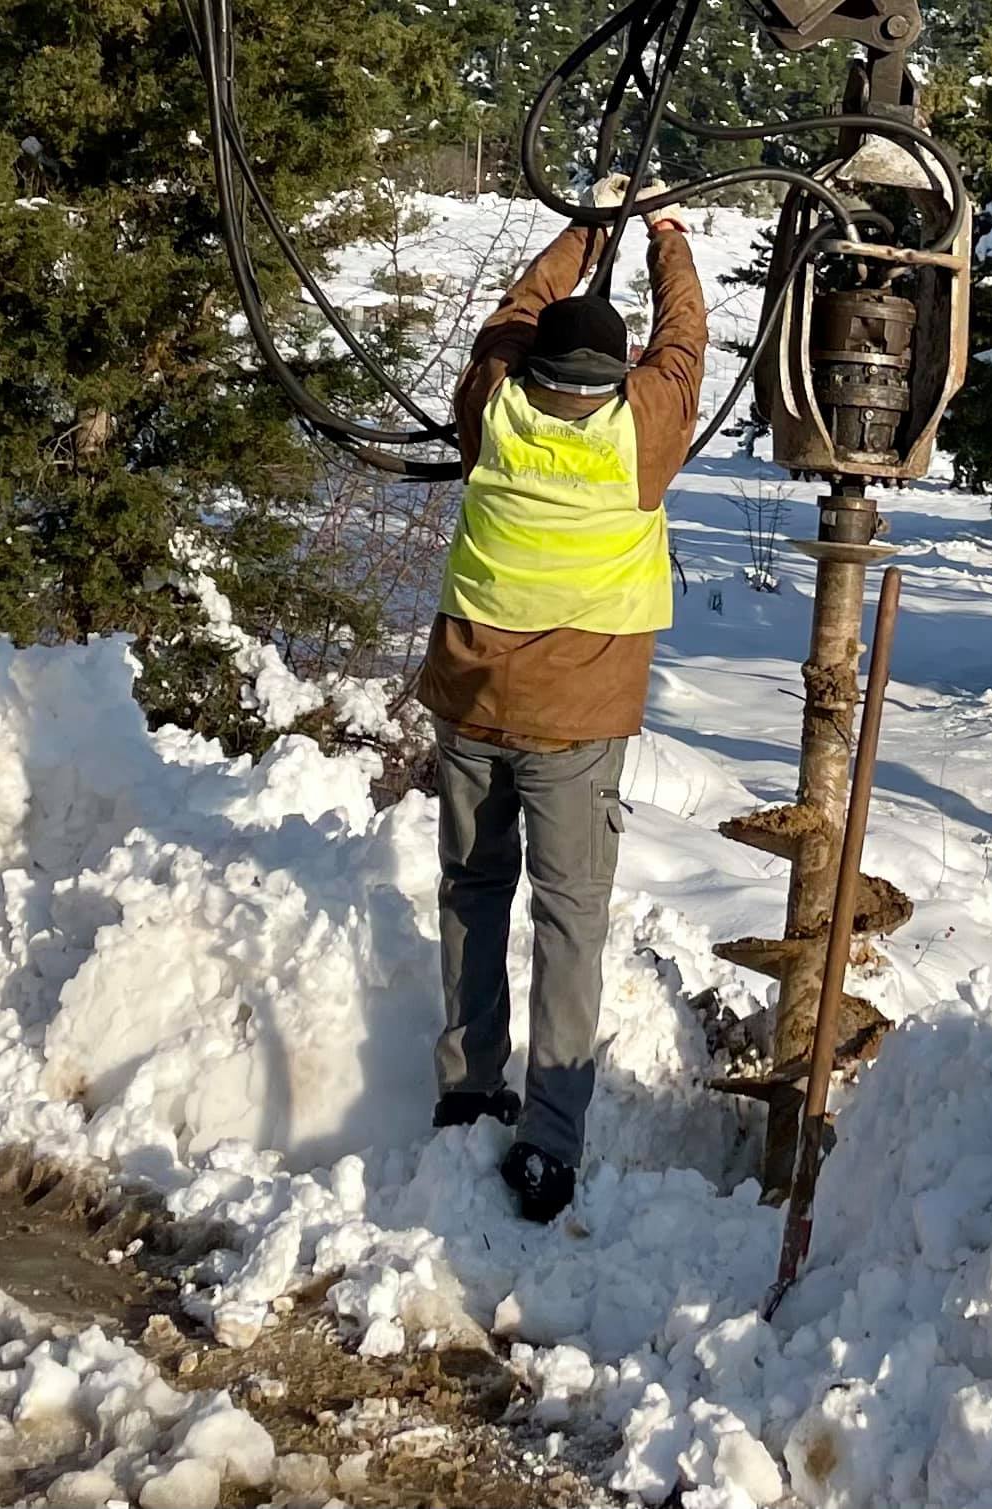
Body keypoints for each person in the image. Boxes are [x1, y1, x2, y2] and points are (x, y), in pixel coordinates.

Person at [416, 176, 707, 1222]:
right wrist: (667, 232)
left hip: (472, 700)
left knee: (472, 892)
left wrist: (591, 226)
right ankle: (551, 1142)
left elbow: (512, 309)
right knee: (569, 922)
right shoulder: (645, 433)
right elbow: (686, 337)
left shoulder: (492, 402)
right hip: (577, 725)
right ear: (616, 373)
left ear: (536, 367)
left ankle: (469, 1087)